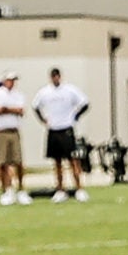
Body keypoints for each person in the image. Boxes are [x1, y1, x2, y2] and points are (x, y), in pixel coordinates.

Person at [36, 66, 89, 200]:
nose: (55, 78)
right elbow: (35, 106)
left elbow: (85, 103)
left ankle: (79, 189)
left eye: (57, 76)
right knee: (57, 162)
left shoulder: (69, 90)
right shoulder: (45, 92)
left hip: (66, 128)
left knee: (73, 160)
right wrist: (43, 119)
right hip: (53, 129)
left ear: (60, 76)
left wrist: (76, 116)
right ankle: (60, 190)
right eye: (53, 76)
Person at [0, 74, 29, 204]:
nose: (12, 83)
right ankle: (7, 189)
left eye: (13, 80)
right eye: (10, 80)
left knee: (18, 161)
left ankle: (21, 190)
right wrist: (12, 109)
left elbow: (21, 111)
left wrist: (8, 109)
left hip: (14, 130)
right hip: (0, 131)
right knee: (2, 163)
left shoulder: (19, 95)